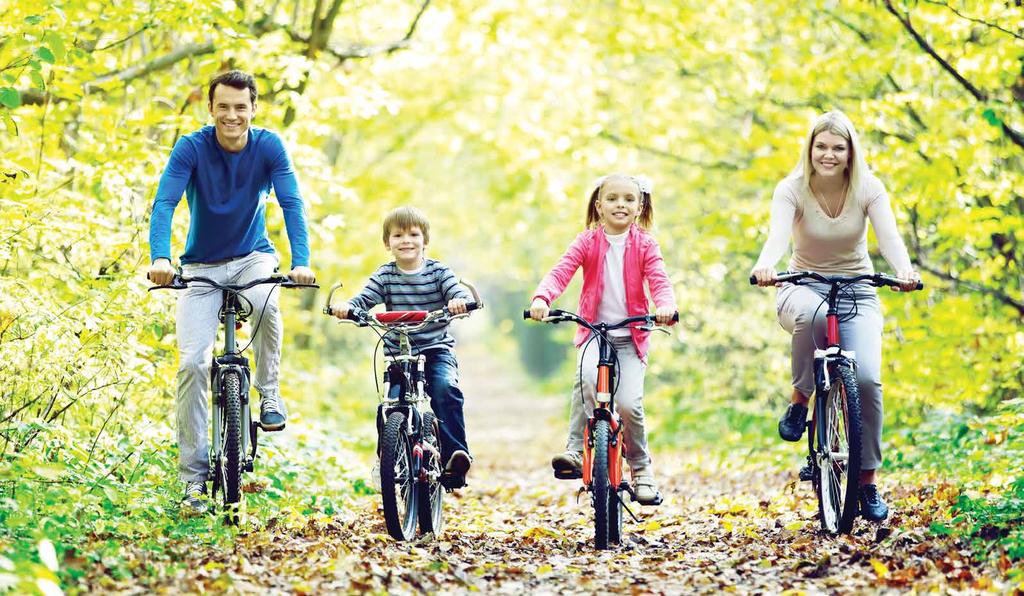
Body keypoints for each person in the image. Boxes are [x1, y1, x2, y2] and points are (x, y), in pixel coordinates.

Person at [147, 70, 315, 515]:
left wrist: (300, 262)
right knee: (191, 364)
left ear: (253, 109)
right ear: (211, 109)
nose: (232, 115)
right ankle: (192, 483)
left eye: (241, 107)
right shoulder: (191, 147)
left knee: (266, 302)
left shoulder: (269, 147)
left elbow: (292, 203)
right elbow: (165, 202)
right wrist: (161, 258)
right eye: (223, 106)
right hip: (200, 266)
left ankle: (270, 391)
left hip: (251, 257)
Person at [750, 110, 920, 521]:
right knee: (813, 315)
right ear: (809, 149)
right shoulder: (791, 189)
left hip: (857, 289)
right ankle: (800, 399)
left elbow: (889, 237)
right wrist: (765, 266)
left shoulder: (869, 188)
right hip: (801, 286)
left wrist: (904, 271)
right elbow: (776, 235)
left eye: (837, 148)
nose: (828, 155)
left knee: (866, 379)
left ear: (850, 153)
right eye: (821, 146)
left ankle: (867, 484)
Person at [528, 174, 677, 505]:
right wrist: (543, 298)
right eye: (612, 198)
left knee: (628, 404)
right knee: (586, 379)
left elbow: (659, 280)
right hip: (594, 332)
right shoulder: (587, 241)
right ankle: (574, 451)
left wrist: (665, 305)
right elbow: (561, 271)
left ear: (639, 207)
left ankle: (641, 471)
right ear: (598, 206)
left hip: (631, 337)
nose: (620, 204)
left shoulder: (646, 245)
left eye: (628, 199)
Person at [329, 206, 474, 487]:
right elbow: (363, 300)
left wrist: (458, 301)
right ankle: (387, 459)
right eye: (398, 235)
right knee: (389, 404)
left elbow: (456, 291)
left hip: (435, 348)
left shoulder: (438, 272)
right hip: (399, 351)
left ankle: (456, 456)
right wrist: (348, 308)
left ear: (425, 240)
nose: (406, 240)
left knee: (446, 389)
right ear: (388, 243)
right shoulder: (385, 276)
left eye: (413, 234)